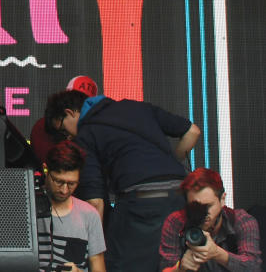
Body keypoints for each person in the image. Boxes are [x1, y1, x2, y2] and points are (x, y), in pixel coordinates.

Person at [44, 90, 201, 272]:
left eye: (63, 131)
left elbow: (96, 203)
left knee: (115, 263)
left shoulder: (86, 134)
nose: (68, 138)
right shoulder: (138, 107)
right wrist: (172, 163)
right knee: (172, 263)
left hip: (140, 204)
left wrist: (92, 249)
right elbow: (193, 131)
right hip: (179, 196)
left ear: (70, 112)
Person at [159, 168, 261, 271]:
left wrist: (217, 253)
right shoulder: (176, 222)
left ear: (222, 200)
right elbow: (165, 268)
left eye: (208, 206)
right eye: (196, 207)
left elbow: (253, 267)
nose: (203, 213)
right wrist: (179, 268)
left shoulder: (240, 221)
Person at [38, 140, 107, 272]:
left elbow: (99, 267)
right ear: (45, 169)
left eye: (72, 184)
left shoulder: (90, 215)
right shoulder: (26, 207)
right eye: (58, 181)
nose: (64, 190)